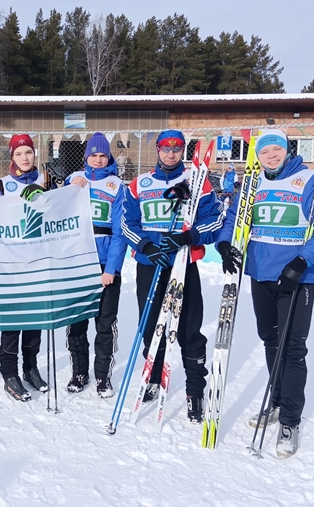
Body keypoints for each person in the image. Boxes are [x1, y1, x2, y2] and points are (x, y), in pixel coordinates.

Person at [216, 129, 314, 458]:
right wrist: (225, 244)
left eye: (277, 149)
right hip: (261, 274)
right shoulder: (253, 183)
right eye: (265, 151)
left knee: (292, 349)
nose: (271, 155)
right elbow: (234, 219)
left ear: (287, 150)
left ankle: (290, 419)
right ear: (257, 155)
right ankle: (275, 400)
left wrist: (302, 262)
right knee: (271, 341)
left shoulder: (311, 180)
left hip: (295, 277)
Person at [121, 129, 222, 423]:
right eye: (165, 148)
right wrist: (146, 246)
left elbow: (215, 219)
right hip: (151, 264)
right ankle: (153, 378)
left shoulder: (197, 181)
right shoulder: (140, 184)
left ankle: (195, 391)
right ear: (158, 150)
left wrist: (189, 236)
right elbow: (127, 222)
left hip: (183, 264)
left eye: (177, 148)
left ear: (183, 151)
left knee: (189, 329)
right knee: (152, 326)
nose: (170, 153)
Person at [64, 132, 127, 398]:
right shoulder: (74, 180)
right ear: (86, 157)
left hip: (104, 265)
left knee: (104, 323)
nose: (98, 160)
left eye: (103, 155)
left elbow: (121, 231)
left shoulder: (117, 185)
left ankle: (103, 376)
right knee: (77, 322)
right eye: (94, 155)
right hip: (77, 263)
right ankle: (79, 372)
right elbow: (55, 214)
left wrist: (111, 268)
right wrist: (67, 187)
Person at [0, 134, 51, 401]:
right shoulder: (3, 185)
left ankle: (30, 367)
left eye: (28, 152)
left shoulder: (46, 181)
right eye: (19, 153)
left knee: (35, 320)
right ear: (12, 157)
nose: (24, 158)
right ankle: (9, 372)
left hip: (38, 262)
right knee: (13, 321)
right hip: (11, 264)